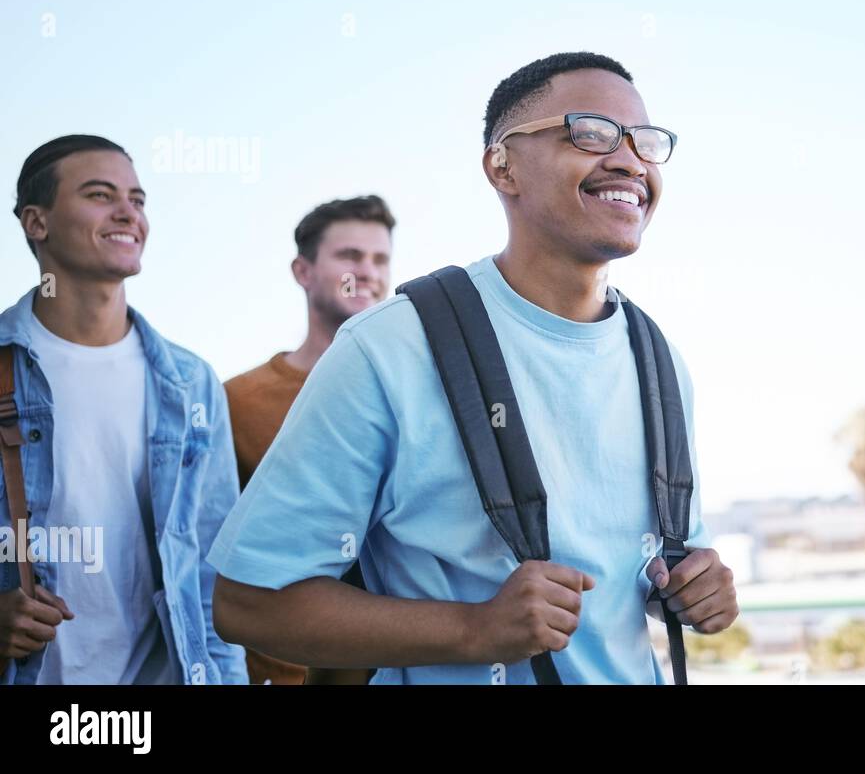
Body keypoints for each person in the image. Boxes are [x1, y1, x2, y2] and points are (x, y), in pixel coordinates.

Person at [210, 52, 739, 683]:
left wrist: (691, 587)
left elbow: (651, 568)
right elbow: (248, 604)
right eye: (590, 133)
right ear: (502, 165)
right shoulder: (390, 347)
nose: (629, 160)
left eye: (645, 142)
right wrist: (476, 630)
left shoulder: (659, 360)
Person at [0, 135, 246, 685]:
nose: (127, 213)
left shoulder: (190, 383)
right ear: (36, 223)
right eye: (99, 195)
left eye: (137, 199)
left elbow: (213, 578)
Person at [223, 195, 395, 685]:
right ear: (303, 271)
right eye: (349, 256)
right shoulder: (237, 401)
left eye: (379, 259)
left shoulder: (414, 394)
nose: (367, 271)